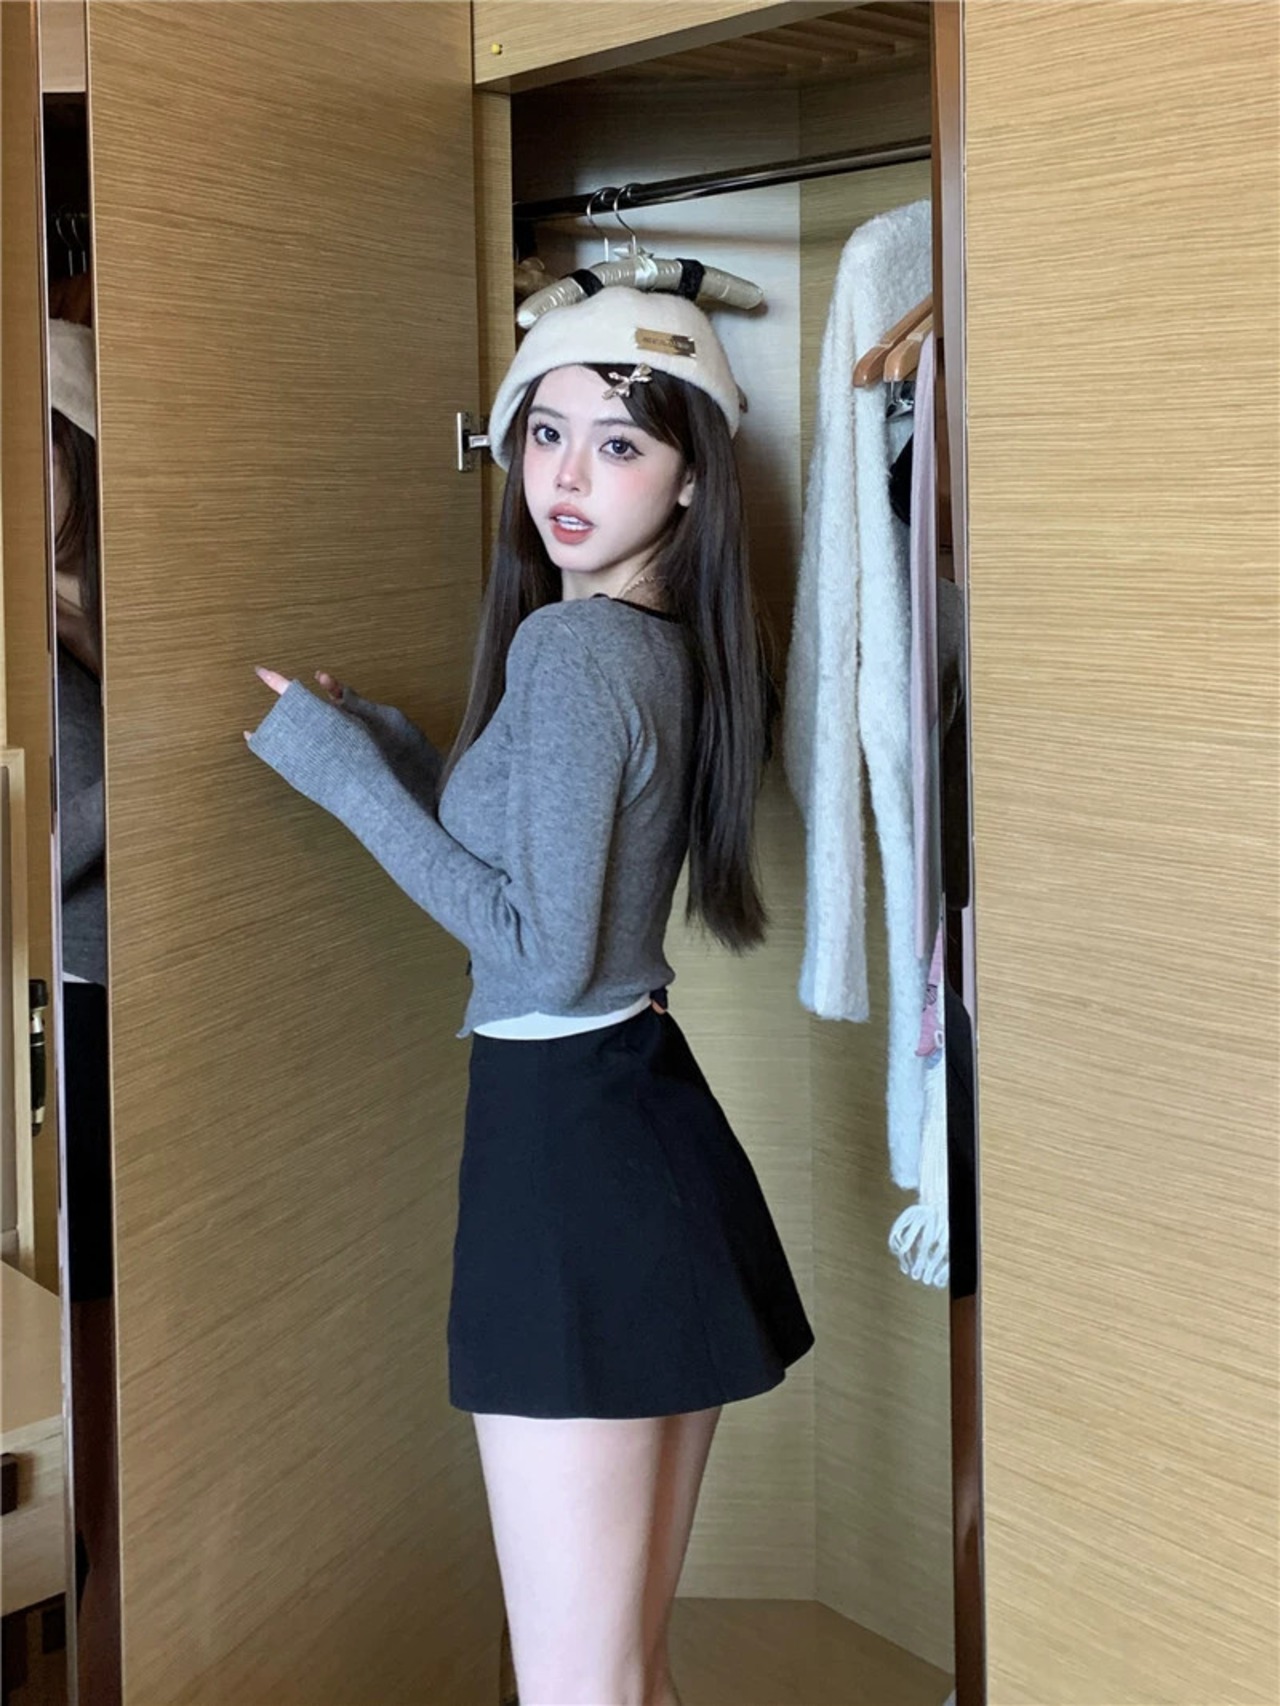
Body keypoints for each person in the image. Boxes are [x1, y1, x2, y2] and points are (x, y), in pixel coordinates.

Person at [246, 285, 815, 1706]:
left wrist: (344, 779)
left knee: (578, 1685)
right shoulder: (668, 642)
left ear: (691, 475)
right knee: (624, 1673)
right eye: (545, 433)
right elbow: (560, 852)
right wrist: (403, 753)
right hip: (644, 1131)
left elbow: (540, 949)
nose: (567, 475)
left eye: (619, 444)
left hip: (568, 1156)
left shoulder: (572, 651)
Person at [49, 313, 122, 1704]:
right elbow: (36, 852)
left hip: (135, 983)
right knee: (82, 1314)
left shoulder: (107, 594)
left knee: (120, 1309)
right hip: (61, 990)